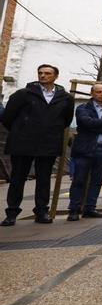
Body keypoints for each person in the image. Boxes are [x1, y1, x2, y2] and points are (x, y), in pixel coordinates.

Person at [1, 64, 75, 226]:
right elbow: (7, 118)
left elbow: (65, 120)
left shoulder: (66, 98)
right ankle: (12, 212)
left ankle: (41, 211)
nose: (43, 76)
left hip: (48, 143)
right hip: (22, 143)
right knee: (18, 178)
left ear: (55, 76)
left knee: (43, 179)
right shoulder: (23, 94)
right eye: (40, 73)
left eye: (47, 73)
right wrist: (22, 130)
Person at [68, 83, 102, 221]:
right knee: (79, 180)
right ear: (92, 93)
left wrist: (96, 125)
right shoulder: (83, 108)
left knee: (97, 181)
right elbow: (86, 122)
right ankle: (74, 209)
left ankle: (90, 208)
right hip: (84, 149)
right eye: (99, 92)